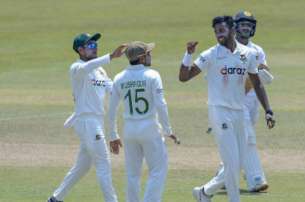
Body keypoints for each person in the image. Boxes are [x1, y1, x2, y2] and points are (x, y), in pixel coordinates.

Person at [178, 16, 275, 202]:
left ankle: (204, 193)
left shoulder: (247, 53)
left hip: (239, 112)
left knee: (236, 163)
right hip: (219, 111)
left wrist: (268, 110)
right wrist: (188, 55)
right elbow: (184, 77)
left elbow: (257, 83)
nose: (218, 34)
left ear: (232, 29)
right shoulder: (210, 54)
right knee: (231, 162)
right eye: (216, 32)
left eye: (221, 30)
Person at [47, 33, 127, 202]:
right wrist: (111, 56)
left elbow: (112, 90)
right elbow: (86, 68)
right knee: (104, 165)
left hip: (96, 122)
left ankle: (55, 198)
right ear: (80, 50)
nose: (95, 47)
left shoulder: (99, 70)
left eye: (95, 44)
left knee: (82, 167)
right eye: (90, 45)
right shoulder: (76, 68)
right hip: (87, 122)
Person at [108, 41, 179, 202]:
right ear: (141, 58)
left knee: (132, 174)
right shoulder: (153, 75)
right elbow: (161, 104)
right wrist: (168, 130)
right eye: (148, 53)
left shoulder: (119, 78)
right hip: (150, 128)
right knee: (158, 170)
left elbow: (111, 109)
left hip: (130, 131)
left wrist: (113, 135)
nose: (150, 56)